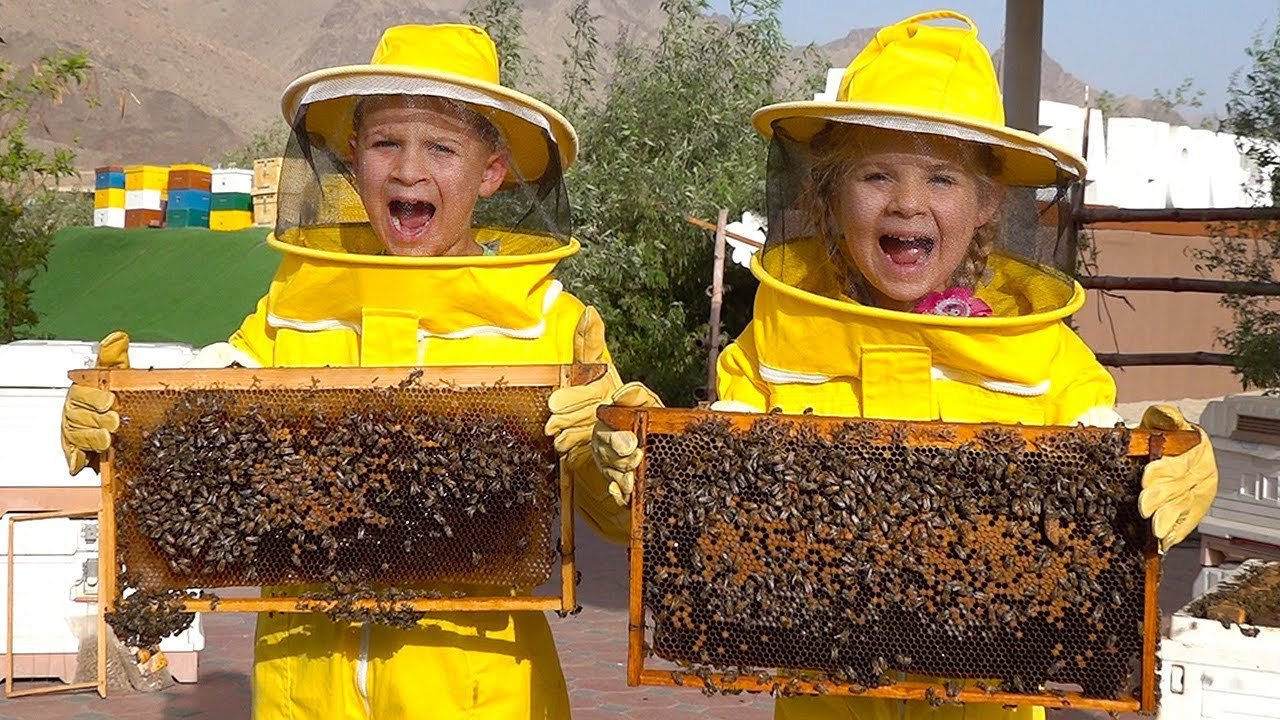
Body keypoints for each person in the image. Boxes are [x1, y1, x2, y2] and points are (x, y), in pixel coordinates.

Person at [591, 10, 1218, 720]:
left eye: (942, 179)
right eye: (876, 174)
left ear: (987, 203)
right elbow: (695, 507)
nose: (909, 202)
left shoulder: (1044, 355)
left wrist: (1178, 465)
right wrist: (643, 464)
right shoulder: (775, 340)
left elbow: (1121, 466)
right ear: (828, 193)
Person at [61, 23, 656, 719]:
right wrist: (122, 426)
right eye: (385, 144)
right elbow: (197, 419)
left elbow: (618, 519)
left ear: (491, 171)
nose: (408, 171)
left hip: (477, 691)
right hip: (303, 689)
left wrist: (619, 450)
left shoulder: (554, 323)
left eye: (441, 147)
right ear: (351, 157)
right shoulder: (291, 309)